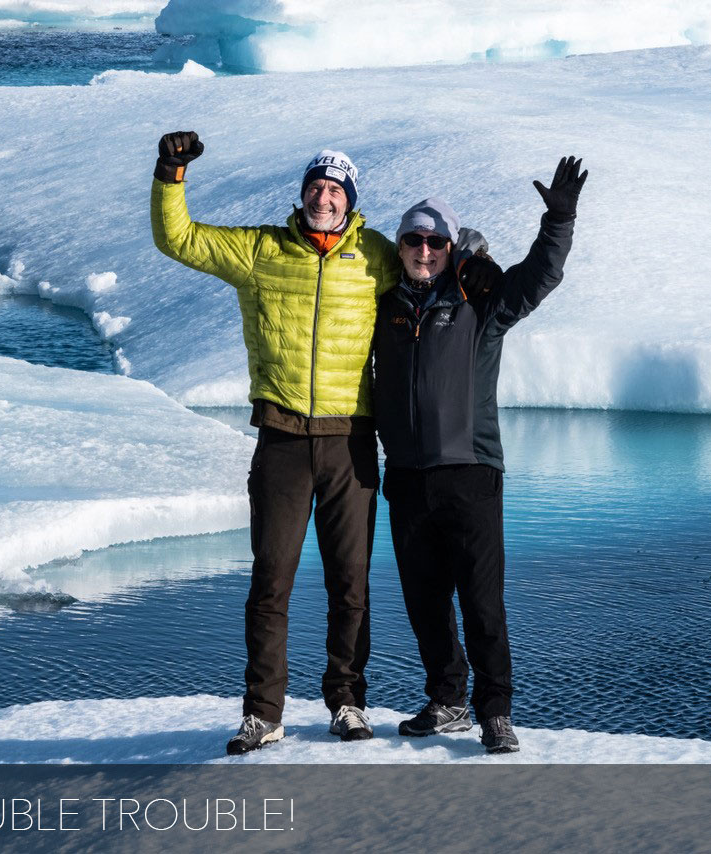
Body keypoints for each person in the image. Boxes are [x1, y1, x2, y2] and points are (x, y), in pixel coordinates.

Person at [149, 130, 497, 755]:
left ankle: (347, 702)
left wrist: (471, 252)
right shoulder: (261, 250)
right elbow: (179, 239)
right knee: (270, 582)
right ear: (303, 193)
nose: (324, 198)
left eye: (336, 190)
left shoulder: (377, 254)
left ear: (350, 200)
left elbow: (434, 259)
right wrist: (170, 176)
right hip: (282, 438)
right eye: (316, 187)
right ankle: (263, 713)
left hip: (350, 443)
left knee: (350, 584)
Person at [373, 157, 586, 754]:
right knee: (425, 602)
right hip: (407, 476)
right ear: (400, 247)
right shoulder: (385, 307)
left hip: (470, 472)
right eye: (413, 240)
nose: (423, 251)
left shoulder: (479, 301)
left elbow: (538, 278)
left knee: (481, 602)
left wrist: (558, 221)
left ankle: (496, 712)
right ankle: (447, 701)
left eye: (434, 241)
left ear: (450, 247)